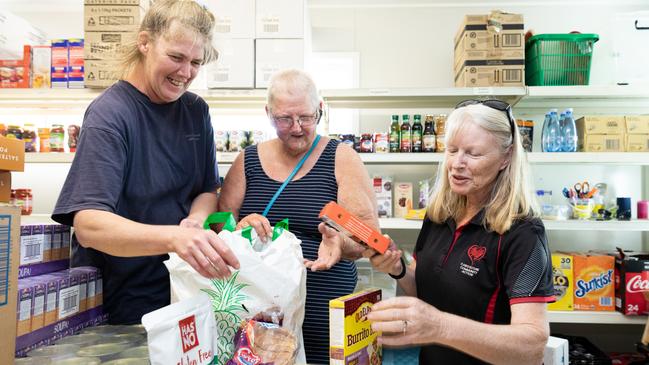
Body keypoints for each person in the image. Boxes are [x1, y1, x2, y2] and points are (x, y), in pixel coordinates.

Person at [52, 0, 239, 325]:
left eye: (196, 62)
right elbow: (89, 225)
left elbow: (208, 189)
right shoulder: (110, 114)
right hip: (123, 302)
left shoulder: (195, 111)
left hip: (186, 290)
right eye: (176, 57)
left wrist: (195, 222)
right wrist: (175, 238)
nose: (186, 73)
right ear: (144, 43)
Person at [365, 100, 554, 365]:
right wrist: (397, 268)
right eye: (452, 150)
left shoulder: (523, 233)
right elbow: (427, 289)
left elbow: (532, 345)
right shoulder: (439, 216)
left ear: (506, 157)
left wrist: (439, 326)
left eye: (473, 154)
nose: (456, 164)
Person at [217, 69, 378, 364]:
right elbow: (219, 223)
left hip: (327, 320)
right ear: (267, 114)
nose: (296, 128)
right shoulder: (248, 161)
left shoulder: (341, 158)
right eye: (284, 119)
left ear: (320, 109)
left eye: (306, 117)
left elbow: (369, 237)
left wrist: (341, 242)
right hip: (260, 323)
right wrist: (240, 227)